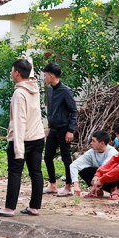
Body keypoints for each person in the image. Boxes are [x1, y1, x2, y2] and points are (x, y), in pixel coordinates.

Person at [0, 59, 45, 217]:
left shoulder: (19, 93)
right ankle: (34, 207)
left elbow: (19, 121)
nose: (11, 72)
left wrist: (18, 148)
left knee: (15, 173)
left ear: (16, 73)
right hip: (38, 137)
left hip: (22, 139)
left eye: (12, 70)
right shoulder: (34, 87)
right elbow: (30, 71)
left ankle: (9, 208)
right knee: (36, 172)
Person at [41, 62, 78, 196]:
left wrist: (71, 130)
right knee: (48, 156)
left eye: (45, 75)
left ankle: (69, 187)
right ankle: (53, 185)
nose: (44, 78)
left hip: (64, 129)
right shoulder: (50, 89)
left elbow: (74, 111)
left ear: (51, 75)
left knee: (66, 158)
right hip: (53, 129)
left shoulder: (66, 91)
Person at [69, 130, 119, 198]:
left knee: (113, 169)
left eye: (93, 141)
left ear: (102, 143)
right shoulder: (91, 152)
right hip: (98, 179)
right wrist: (76, 184)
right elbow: (74, 165)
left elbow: (105, 166)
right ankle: (98, 191)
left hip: (110, 180)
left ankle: (114, 190)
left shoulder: (112, 152)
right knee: (84, 170)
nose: (91, 143)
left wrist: (97, 177)